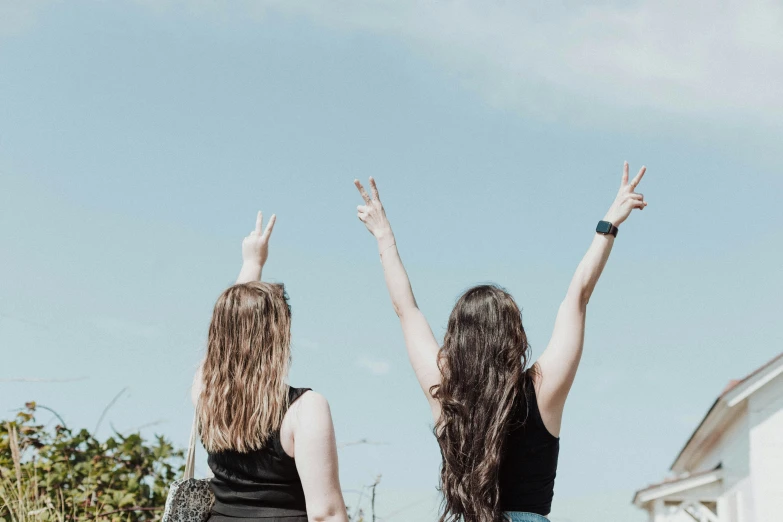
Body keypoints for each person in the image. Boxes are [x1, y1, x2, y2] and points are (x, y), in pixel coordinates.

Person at [353, 163, 648, 522]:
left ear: (457, 340)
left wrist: (384, 237)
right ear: (514, 336)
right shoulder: (541, 389)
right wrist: (609, 224)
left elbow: (407, 310)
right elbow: (578, 297)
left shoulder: (446, 394)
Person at [191, 211, 349, 522]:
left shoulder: (205, 394)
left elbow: (223, 343)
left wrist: (252, 264)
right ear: (279, 338)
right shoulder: (305, 409)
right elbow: (326, 514)